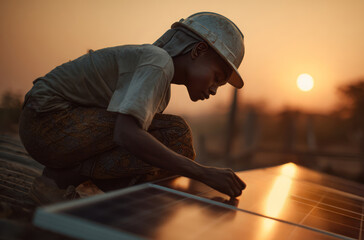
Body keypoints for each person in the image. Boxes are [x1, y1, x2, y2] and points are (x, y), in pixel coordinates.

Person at [19, 12, 246, 205]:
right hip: (45, 121)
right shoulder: (158, 62)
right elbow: (125, 134)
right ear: (197, 50)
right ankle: (57, 180)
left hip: (54, 129)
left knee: (166, 143)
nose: (215, 89)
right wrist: (202, 172)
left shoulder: (160, 84)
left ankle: (117, 198)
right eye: (216, 78)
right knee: (175, 135)